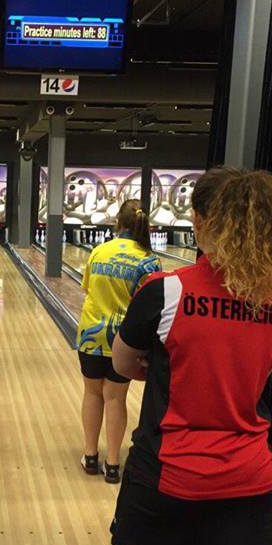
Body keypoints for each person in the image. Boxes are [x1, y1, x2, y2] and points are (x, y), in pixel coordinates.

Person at [96, 168, 272, 545]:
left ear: (201, 221)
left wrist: (165, 366)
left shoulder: (166, 291)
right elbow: (254, 375)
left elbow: (122, 363)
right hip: (245, 477)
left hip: (167, 471)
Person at [75, 200, 161, 484]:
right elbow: (149, 306)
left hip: (91, 334)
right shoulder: (149, 260)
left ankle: (90, 456)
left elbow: (87, 289)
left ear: (118, 223)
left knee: (92, 393)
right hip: (125, 339)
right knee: (115, 397)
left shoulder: (99, 251)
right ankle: (112, 463)